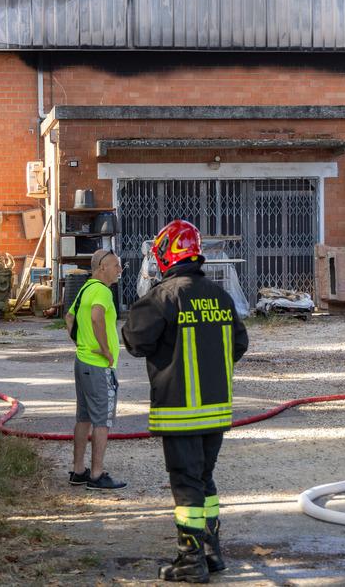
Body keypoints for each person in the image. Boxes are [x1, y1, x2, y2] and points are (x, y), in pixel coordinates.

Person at [122, 220, 248, 583]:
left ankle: (189, 560)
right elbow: (239, 345)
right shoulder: (220, 296)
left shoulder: (163, 297)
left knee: (186, 483)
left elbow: (135, 342)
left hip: (180, 410)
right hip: (216, 410)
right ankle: (212, 552)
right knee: (205, 479)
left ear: (166, 254)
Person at [65, 248, 126, 490]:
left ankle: (79, 470)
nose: (119, 270)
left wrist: (82, 343)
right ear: (102, 267)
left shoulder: (85, 289)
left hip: (83, 362)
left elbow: (69, 318)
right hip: (99, 366)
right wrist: (104, 348)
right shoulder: (102, 291)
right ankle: (97, 475)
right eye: (115, 266)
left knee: (84, 417)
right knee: (102, 421)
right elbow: (97, 316)